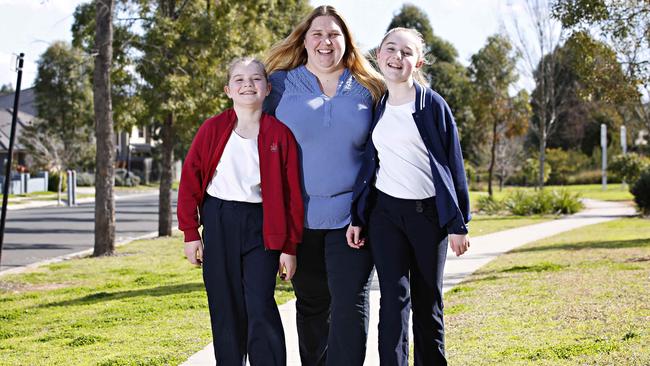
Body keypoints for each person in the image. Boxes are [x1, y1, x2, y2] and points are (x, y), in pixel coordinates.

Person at [263, 5, 385, 366]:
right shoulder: (279, 85)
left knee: (350, 303)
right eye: (317, 34)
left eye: (334, 34)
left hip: (354, 219)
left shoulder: (370, 88)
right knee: (312, 305)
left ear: (347, 42)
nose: (325, 41)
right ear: (304, 40)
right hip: (299, 219)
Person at [347, 28, 471, 366]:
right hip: (385, 215)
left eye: (406, 52)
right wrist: (359, 217)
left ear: (418, 61)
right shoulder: (377, 104)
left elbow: (452, 164)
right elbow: (369, 166)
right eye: (390, 49)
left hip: (427, 215)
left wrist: (459, 223)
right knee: (393, 300)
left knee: (427, 299)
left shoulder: (432, 105)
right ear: (378, 54)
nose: (396, 57)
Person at [177, 57, 303, 366]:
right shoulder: (212, 129)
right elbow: (189, 182)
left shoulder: (279, 134)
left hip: (262, 226)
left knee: (259, 304)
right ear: (228, 90)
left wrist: (289, 247)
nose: (248, 84)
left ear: (268, 88)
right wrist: (191, 234)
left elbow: (292, 196)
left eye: (256, 79)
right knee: (225, 306)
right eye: (239, 79)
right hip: (219, 221)